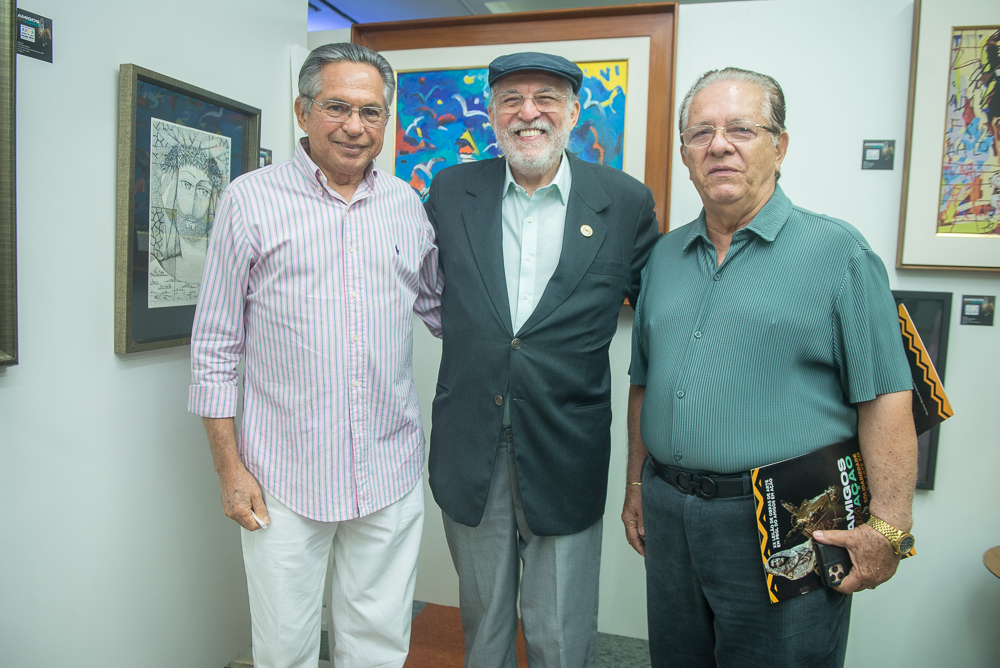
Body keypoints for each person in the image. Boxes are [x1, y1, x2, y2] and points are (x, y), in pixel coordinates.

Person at [622, 66, 918, 667]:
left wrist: (890, 528)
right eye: (700, 133)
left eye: (741, 129)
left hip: (789, 521)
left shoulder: (840, 254)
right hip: (671, 510)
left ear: (779, 146)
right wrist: (634, 485)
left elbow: (886, 397)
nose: (719, 145)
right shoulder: (663, 257)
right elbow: (643, 384)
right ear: (684, 154)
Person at [188, 43, 441, 668]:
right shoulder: (249, 200)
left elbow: (446, 313)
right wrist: (229, 470)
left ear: (386, 122)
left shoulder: (407, 206)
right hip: (282, 479)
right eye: (337, 107)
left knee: (380, 644)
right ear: (303, 111)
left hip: (389, 469)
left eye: (371, 112)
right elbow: (215, 344)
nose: (355, 126)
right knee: (284, 648)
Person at [424, 52, 660, 667]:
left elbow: (664, 316)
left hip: (566, 448)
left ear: (574, 112)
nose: (529, 113)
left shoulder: (625, 202)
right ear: (493, 114)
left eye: (546, 98)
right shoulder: (451, 190)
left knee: (561, 633)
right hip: (471, 441)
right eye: (511, 99)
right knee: (486, 627)